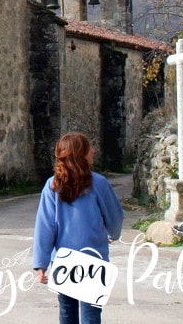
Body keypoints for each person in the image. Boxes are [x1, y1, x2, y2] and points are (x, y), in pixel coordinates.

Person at [33, 132, 124, 324]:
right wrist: (112, 233)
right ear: (79, 154)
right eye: (89, 148)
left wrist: (41, 263)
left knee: (67, 313)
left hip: (64, 261)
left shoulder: (52, 186)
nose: (94, 150)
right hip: (94, 259)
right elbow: (115, 216)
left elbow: (45, 227)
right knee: (91, 315)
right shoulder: (98, 183)